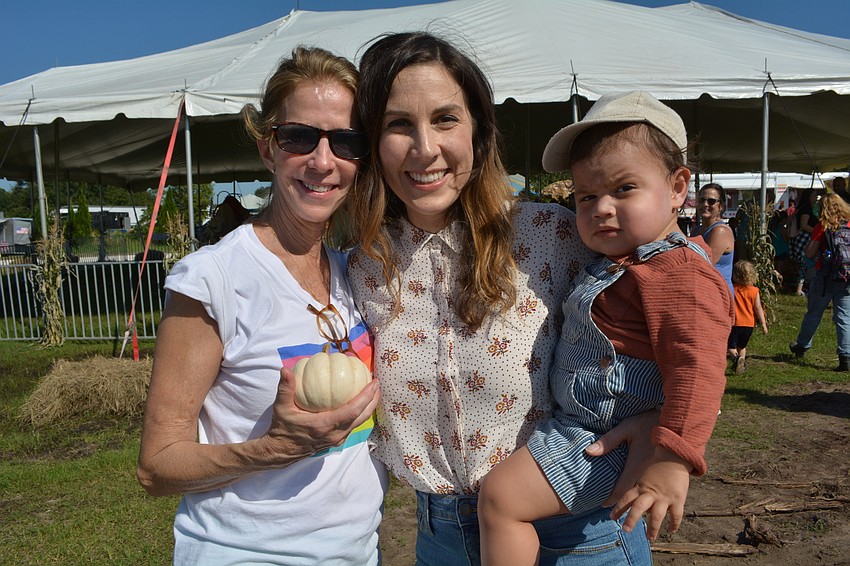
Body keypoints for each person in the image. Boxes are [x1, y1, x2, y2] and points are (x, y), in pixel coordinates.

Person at [347, 32, 659, 566]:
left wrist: (665, 425)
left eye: (446, 119)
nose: (425, 149)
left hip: (577, 533)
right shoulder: (362, 266)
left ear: (478, 132)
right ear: (373, 141)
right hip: (440, 536)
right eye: (399, 124)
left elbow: (681, 313)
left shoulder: (557, 236)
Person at [136, 47, 388, 565]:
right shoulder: (214, 278)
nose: (323, 161)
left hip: (357, 551)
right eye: (298, 137)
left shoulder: (354, 272)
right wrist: (271, 450)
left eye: (345, 141)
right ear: (268, 149)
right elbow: (156, 466)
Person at [476, 91, 734, 565]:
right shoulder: (623, 261)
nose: (602, 208)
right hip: (584, 426)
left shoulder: (680, 274)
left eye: (624, 189)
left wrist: (671, 459)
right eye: (587, 196)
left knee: (499, 500)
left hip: (602, 436)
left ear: (678, 188)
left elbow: (697, 371)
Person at [789, 193, 850, 371]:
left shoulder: (823, 226)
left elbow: (809, 253)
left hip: (825, 277)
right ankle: (845, 356)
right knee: (844, 317)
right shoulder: (848, 224)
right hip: (847, 278)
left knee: (814, 313)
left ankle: (802, 346)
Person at [693, 182, 735, 295]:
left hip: (718, 294)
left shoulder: (720, 231)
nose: (705, 204)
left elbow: (703, 265)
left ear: (720, 206)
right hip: (703, 290)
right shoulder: (696, 230)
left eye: (711, 201)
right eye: (701, 200)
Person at [728, 260, 769, 375]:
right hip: (749, 324)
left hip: (735, 323)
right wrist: (764, 324)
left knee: (730, 346)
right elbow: (758, 308)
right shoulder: (754, 291)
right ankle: (742, 364)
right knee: (742, 346)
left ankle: (736, 360)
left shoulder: (732, 289)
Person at [789, 188, 822, 295]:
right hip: (805, 238)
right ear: (808, 197)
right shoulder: (806, 209)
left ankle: (801, 287)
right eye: (814, 196)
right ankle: (799, 289)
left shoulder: (803, 208)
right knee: (804, 262)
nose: (816, 198)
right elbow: (804, 225)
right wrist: (817, 232)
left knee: (802, 263)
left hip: (801, 238)